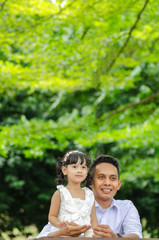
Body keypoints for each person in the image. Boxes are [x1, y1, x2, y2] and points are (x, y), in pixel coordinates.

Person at [35, 154, 142, 238]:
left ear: (119, 185)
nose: (107, 183)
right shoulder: (71, 203)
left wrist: (115, 237)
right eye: (101, 177)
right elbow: (42, 237)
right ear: (90, 182)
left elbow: (136, 235)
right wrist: (62, 232)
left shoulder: (127, 207)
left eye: (113, 178)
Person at [36, 150, 98, 238]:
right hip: (65, 233)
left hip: (85, 233)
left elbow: (93, 218)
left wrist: (95, 231)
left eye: (83, 167)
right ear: (65, 170)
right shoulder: (60, 193)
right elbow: (52, 216)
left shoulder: (89, 194)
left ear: (87, 171)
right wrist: (60, 225)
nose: (79, 170)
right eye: (74, 167)